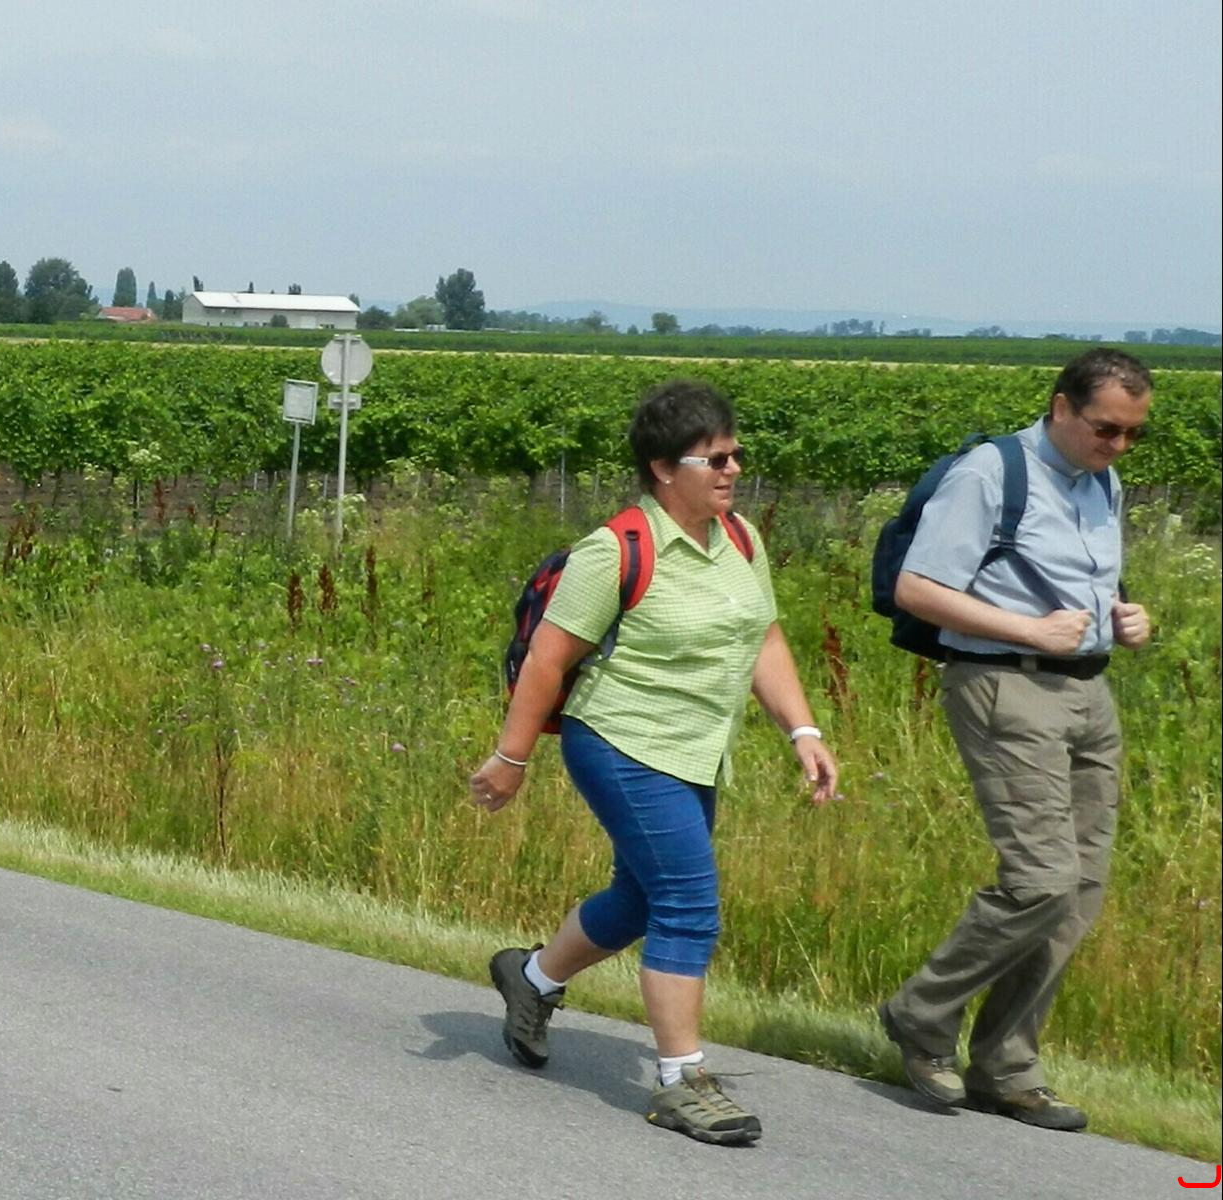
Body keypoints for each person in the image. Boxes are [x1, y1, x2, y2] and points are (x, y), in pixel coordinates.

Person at [467, 379, 838, 1147]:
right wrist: (510, 758)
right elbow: (547, 661)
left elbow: (763, 636)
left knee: (638, 901)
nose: (734, 470)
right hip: (621, 744)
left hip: (696, 750)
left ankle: (530, 979)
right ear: (665, 469)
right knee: (688, 902)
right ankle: (682, 1081)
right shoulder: (616, 550)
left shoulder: (739, 539)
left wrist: (801, 729)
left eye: (736, 454)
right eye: (715, 459)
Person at [874, 349, 1156, 1134]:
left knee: (1080, 890)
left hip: (1089, 690)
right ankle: (921, 1013)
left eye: (1133, 434)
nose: (1118, 446)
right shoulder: (990, 474)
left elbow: (1080, 578)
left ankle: (1007, 1067)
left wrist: (1127, 617)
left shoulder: (1101, 481)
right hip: (1005, 683)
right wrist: (1029, 630)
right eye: (1106, 428)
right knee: (1041, 880)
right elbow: (918, 589)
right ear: (1061, 407)